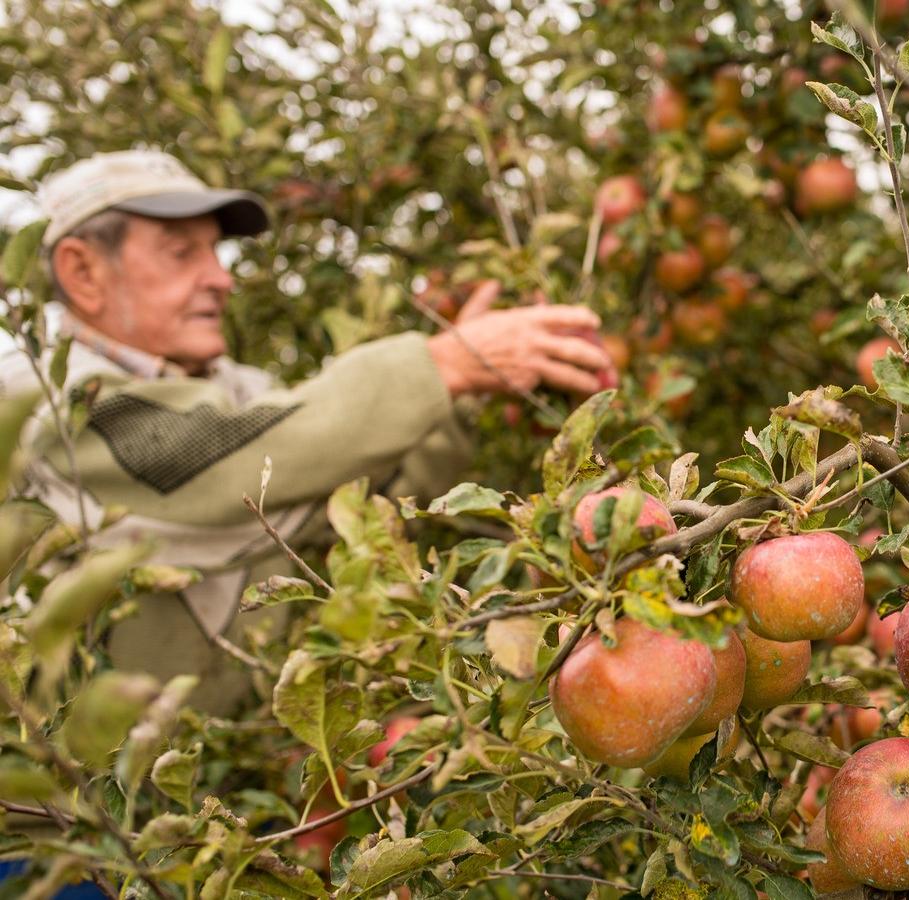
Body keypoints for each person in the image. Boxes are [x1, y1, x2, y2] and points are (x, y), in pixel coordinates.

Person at [0, 149, 616, 714]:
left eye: (216, 252)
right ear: (82, 272)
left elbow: (359, 505)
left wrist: (464, 391)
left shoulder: (238, 393)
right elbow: (226, 465)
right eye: (181, 253)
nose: (220, 278)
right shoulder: (41, 402)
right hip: (74, 813)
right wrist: (442, 364)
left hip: (221, 798)